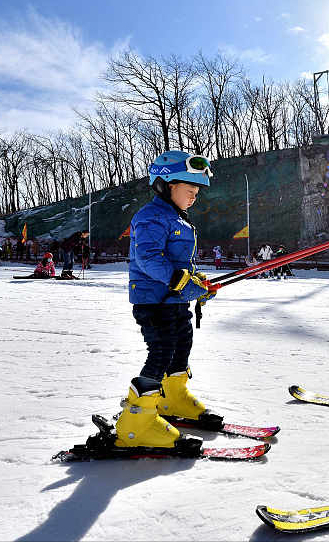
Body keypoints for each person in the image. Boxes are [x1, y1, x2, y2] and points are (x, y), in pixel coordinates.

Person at [114, 151, 219, 454]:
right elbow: (148, 258)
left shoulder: (179, 220)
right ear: (166, 185)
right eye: (190, 191)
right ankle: (136, 422)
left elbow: (180, 264)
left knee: (182, 344)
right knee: (161, 351)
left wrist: (199, 284)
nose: (194, 198)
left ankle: (173, 396)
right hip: (153, 300)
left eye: (197, 193)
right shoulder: (150, 217)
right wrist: (179, 281)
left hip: (174, 300)